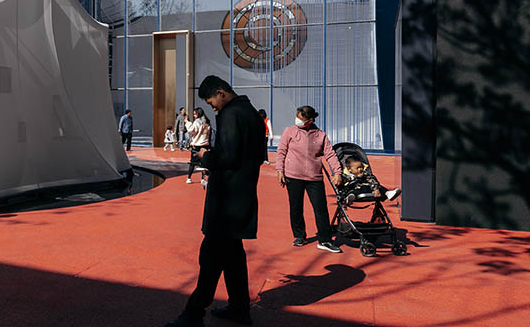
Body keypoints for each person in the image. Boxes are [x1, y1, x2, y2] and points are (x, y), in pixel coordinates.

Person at [165, 76, 264, 327]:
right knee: (233, 257)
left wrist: (205, 156)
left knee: (210, 257)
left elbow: (228, 155)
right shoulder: (251, 113)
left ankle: (194, 313)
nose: (213, 107)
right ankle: (239, 307)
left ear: (221, 93)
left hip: (226, 201)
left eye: (212, 102)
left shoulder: (232, 114)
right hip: (242, 196)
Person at [275, 105, 341, 254]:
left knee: (321, 209)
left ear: (310, 120)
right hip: (293, 176)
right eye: (297, 116)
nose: (297, 120)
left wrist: (337, 172)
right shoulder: (289, 131)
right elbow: (281, 151)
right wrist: (280, 171)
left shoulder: (320, 135)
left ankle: (324, 240)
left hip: (314, 177)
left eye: (301, 118)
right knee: (296, 208)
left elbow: (330, 155)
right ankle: (299, 236)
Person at [336, 157, 400, 204]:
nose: (361, 169)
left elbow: (372, 180)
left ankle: (388, 193)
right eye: (357, 168)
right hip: (355, 189)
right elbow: (341, 186)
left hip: (368, 188)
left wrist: (376, 189)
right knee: (355, 190)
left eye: (361, 166)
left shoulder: (365, 174)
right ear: (349, 169)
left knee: (379, 186)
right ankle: (351, 197)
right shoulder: (345, 176)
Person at [185, 109, 210, 184]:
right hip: (205, 144)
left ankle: (189, 178)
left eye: (195, 114)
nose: (194, 115)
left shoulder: (197, 121)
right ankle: (203, 178)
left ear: (198, 114)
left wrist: (187, 122)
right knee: (203, 162)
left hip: (197, 144)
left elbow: (192, 130)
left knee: (193, 162)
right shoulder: (206, 122)